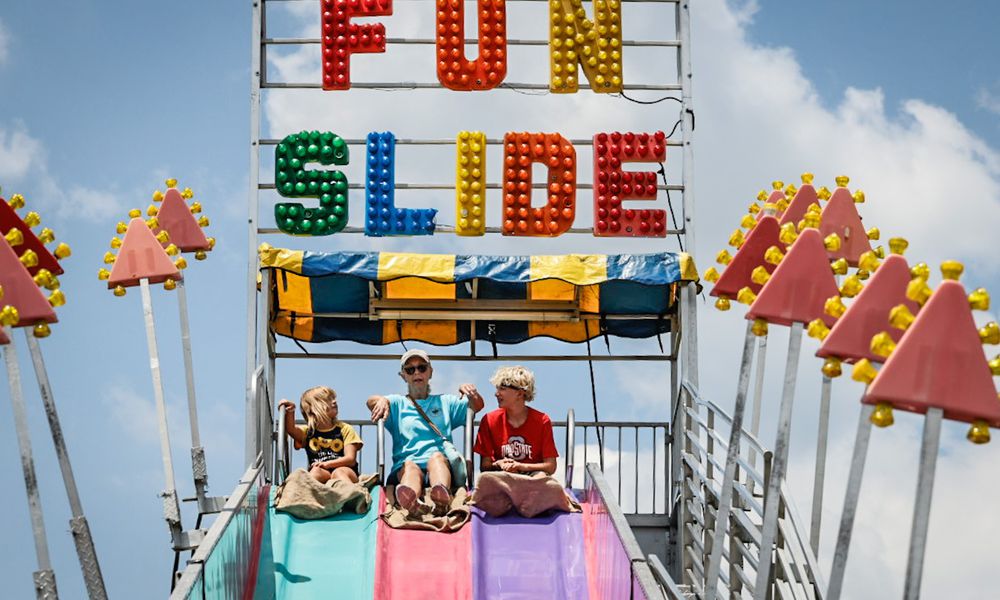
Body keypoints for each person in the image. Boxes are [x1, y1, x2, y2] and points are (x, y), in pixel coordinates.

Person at [368, 349, 485, 510]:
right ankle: (411, 501)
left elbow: (477, 406)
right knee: (410, 466)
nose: (417, 372)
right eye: (410, 370)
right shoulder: (397, 403)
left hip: (439, 463)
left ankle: (441, 496)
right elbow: (370, 402)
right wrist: (380, 400)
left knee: (437, 457)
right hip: (406, 464)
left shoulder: (445, 401)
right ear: (403, 376)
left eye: (422, 368)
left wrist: (471, 393)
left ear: (430, 372)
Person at [474, 365, 558, 476]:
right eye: (497, 388)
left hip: (532, 478)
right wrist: (498, 464)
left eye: (502, 389)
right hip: (502, 476)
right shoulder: (490, 420)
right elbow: (484, 467)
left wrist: (520, 466)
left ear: (519, 393)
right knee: (486, 479)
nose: (496, 393)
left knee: (542, 477)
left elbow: (550, 466)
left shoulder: (542, 421)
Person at [278, 386, 363, 484]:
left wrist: (327, 464)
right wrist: (290, 411)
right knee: (314, 472)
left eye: (333, 398)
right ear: (313, 409)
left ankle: (351, 496)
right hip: (322, 472)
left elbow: (350, 459)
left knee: (338, 473)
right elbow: (291, 430)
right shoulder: (308, 432)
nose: (334, 401)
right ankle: (308, 496)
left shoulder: (345, 429)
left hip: (346, 470)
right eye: (328, 400)